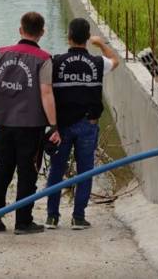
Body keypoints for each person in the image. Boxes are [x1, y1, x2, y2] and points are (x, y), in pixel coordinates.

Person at [0, 11, 61, 235]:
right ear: (42, 32)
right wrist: (54, 125)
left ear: (20, 30)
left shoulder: (3, 53)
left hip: (4, 122)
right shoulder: (44, 59)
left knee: (2, 169)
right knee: (28, 172)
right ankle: (23, 221)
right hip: (30, 125)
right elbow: (46, 93)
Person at [45, 18, 119, 230]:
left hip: (62, 127)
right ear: (87, 39)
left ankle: (52, 217)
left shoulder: (56, 62)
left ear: (68, 37)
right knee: (85, 170)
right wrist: (101, 44)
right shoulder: (97, 63)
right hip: (88, 124)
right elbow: (116, 61)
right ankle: (78, 217)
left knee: (56, 171)